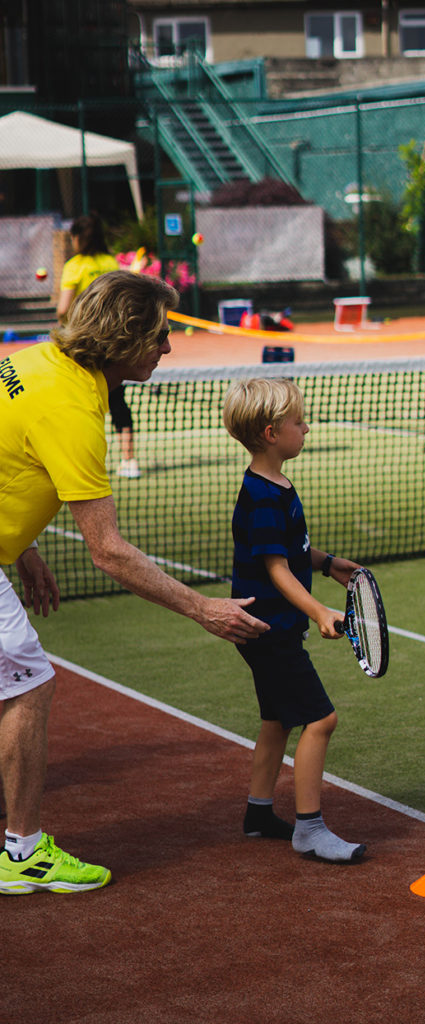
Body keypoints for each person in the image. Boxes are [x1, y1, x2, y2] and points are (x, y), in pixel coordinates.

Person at [0, 270, 268, 895]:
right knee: (28, 684)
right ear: (124, 340)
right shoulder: (71, 407)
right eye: (160, 336)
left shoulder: (35, 361)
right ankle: (23, 853)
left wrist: (23, 548)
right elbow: (109, 552)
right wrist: (205, 608)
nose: (168, 349)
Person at [222, 377, 366, 864]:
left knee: (277, 720)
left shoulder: (277, 485)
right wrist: (318, 609)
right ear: (270, 433)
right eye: (298, 422)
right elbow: (276, 569)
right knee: (321, 719)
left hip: (268, 627)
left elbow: (292, 550)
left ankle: (259, 814)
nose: (306, 427)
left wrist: (328, 564)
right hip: (268, 630)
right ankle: (311, 828)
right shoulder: (261, 496)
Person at [57, 212, 140, 479]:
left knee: (77, 403)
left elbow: (62, 309)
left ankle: (79, 461)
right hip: (114, 344)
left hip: (83, 347)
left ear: (79, 238)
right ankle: (129, 461)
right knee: (118, 402)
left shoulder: (74, 266)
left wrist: (69, 325)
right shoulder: (110, 262)